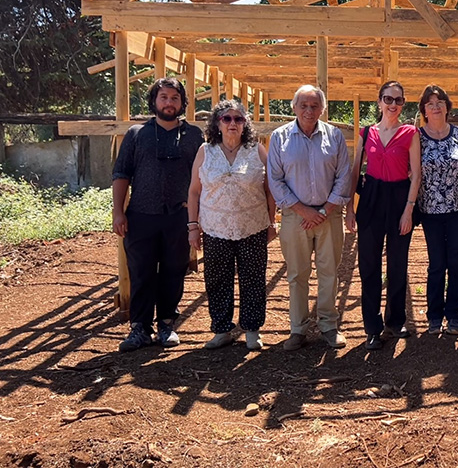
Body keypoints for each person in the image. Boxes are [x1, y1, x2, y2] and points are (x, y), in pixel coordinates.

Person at [112, 77, 203, 352]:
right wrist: (118, 212)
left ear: (182, 103)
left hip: (179, 216)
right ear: (154, 101)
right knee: (141, 271)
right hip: (141, 215)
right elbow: (121, 174)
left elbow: (204, 177)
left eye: (175, 98)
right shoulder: (137, 134)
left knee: (174, 270)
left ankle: (166, 324)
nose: (169, 103)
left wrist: (199, 215)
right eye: (163, 97)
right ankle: (140, 328)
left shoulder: (194, 136)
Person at [268, 85, 351, 351]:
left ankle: (328, 326)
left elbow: (344, 176)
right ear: (294, 107)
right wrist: (304, 211)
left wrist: (324, 210)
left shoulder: (334, 136)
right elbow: (275, 179)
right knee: (297, 274)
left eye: (314, 106)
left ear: (322, 109)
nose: (308, 110)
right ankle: (298, 328)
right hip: (295, 217)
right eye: (303, 105)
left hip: (329, 216)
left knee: (329, 272)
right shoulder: (280, 137)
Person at [187, 100, 275, 350]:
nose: (232, 123)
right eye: (226, 118)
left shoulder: (256, 150)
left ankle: (252, 329)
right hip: (215, 228)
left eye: (238, 119)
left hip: (252, 226)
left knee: (253, 278)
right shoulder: (205, 151)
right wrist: (193, 226)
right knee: (217, 279)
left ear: (245, 124)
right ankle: (222, 329)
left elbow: (270, 190)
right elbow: (194, 191)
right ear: (217, 123)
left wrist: (271, 222)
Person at [345, 81, 421, 350]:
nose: (393, 104)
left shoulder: (410, 133)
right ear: (379, 102)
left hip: (399, 198)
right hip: (371, 199)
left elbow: (416, 175)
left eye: (398, 100)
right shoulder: (367, 133)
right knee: (369, 266)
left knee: (397, 264)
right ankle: (372, 327)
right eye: (388, 99)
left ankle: (396, 321)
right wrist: (349, 209)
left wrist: (408, 211)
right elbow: (356, 172)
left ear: (403, 104)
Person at [416, 85, 458, 336]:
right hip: (430, 211)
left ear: (448, 107)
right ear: (424, 110)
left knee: (457, 263)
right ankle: (434, 316)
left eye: (440, 102)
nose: (435, 107)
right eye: (430, 103)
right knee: (437, 264)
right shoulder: (417, 137)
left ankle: (454, 315)